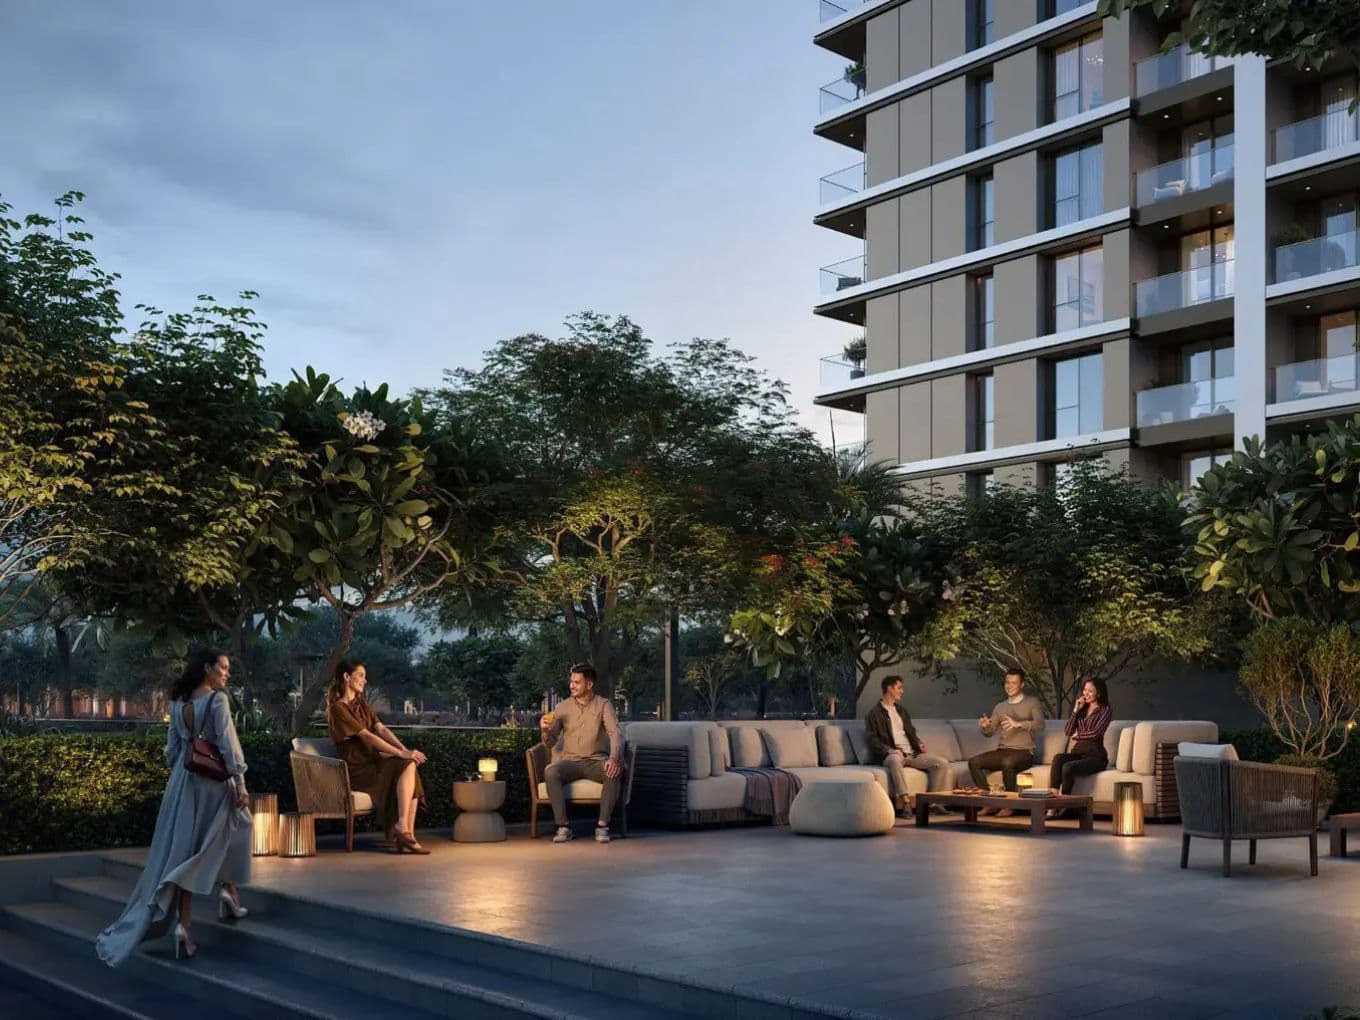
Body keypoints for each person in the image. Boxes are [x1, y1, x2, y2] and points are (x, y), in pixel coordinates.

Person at [96, 649, 251, 966]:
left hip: (182, 783)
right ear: (208, 668)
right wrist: (240, 783)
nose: (227, 673)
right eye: (223, 667)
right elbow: (227, 745)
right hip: (213, 783)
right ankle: (228, 892)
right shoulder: (218, 701)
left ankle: (186, 924)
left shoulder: (178, 703)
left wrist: (182, 773)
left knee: (185, 850)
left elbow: (172, 751)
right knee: (234, 828)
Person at [327, 659, 429, 854]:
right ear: (347, 678)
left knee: (410, 764)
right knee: (406, 764)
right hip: (357, 769)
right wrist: (401, 753)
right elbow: (367, 736)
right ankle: (405, 832)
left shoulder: (362, 705)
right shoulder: (337, 709)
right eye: (361, 676)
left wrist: (407, 751)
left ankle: (406, 832)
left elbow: (381, 730)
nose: (365, 680)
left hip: (374, 763)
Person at [540, 663, 624, 844]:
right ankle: (563, 826)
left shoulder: (603, 705)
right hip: (570, 762)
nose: (572, 685)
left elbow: (615, 733)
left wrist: (613, 758)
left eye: (577, 682)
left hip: (596, 762)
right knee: (550, 771)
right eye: (571, 681)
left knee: (613, 770)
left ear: (590, 684)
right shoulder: (562, 707)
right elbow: (550, 742)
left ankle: (602, 826)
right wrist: (545, 731)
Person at [864, 675, 950, 816]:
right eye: (899, 688)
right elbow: (871, 739)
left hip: (912, 753)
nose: (902, 691)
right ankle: (906, 802)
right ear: (889, 689)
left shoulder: (902, 711)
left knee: (942, 763)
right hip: (892, 754)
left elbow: (910, 732)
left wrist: (919, 743)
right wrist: (889, 750)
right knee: (894, 761)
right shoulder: (874, 714)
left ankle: (934, 803)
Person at [968, 668, 1045, 817]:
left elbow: (1040, 725)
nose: (1009, 686)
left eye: (1014, 683)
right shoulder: (1000, 707)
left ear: (1022, 684)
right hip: (1003, 751)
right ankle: (989, 802)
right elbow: (990, 732)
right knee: (973, 762)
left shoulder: (1032, 703)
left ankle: (1010, 804)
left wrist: (1020, 724)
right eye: (1007, 682)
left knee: (1008, 763)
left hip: (1024, 752)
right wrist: (985, 726)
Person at [1047, 677, 1113, 816]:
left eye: (1090, 691)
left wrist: (1079, 736)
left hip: (1095, 756)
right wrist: (1076, 710)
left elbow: (1096, 733)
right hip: (1078, 752)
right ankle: (1052, 802)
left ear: (1098, 693)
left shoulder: (1105, 710)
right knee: (1058, 758)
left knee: (1068, 767)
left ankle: (1063, 805)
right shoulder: (1082, 710)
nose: (1086, 694)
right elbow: (1068, 731)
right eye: (1085, 690)